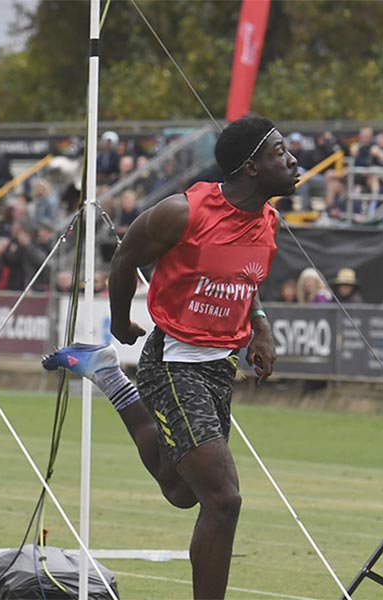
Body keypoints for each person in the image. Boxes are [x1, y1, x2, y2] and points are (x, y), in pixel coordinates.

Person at [43, 115, 296, 599]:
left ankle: (110, 379)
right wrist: (120, 321)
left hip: (219, 368)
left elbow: (248, 278)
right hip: (174, 362)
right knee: (222, 499)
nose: (293, 159)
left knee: (182, 492)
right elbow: (124, 259)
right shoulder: (182, 212)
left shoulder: (267, 219)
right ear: (251, 168)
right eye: (280, 151)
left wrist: (259, 326)